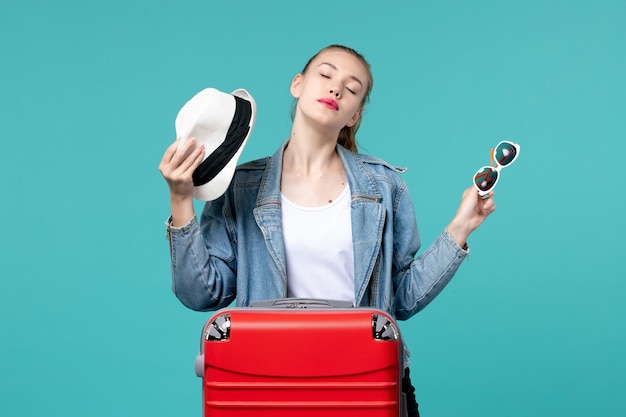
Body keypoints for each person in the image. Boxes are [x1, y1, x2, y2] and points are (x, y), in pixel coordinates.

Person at [159, 44, 496, 417]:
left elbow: (400, 299)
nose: (336, 89)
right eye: (326, 74)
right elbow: (201, 295)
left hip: (366, 380)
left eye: (351, 89)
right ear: (297, 84)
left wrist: (462, 226)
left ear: (355, 115)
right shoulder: (240, 187)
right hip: (268, 383)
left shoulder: (384, 186)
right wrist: (180, 198)